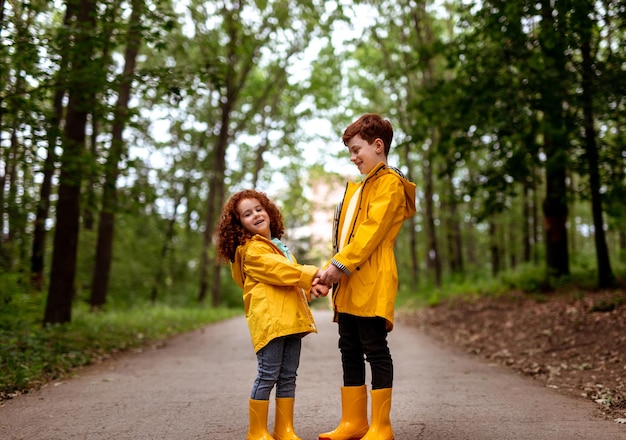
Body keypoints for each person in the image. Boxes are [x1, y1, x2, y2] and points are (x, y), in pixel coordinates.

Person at [318, 114, 416, 440]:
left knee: (375, 348)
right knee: (348, 347)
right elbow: (346, 236)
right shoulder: (359, 188)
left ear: (378, 145)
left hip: (371, 277)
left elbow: (370, 233)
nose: (353, 156)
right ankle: (354, 421)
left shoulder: (389, 183)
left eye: (357, 149)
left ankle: (381, 426)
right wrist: (333, 270)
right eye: (349, 151)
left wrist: (337, 267)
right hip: (349, 278)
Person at [215, 189, 328, 440]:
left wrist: (312, 285)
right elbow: (278, 271)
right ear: (239, 224)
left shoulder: (278, 246)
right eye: (247, 214)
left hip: (291, 320)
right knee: (268, 375)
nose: (255, 215)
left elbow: (289, 278)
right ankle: (256, 431)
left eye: (258, 209)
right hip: (271, 321)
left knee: (288, 375)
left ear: (268, 211)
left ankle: (284, 429)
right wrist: (313, 274)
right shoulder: (252, 250)